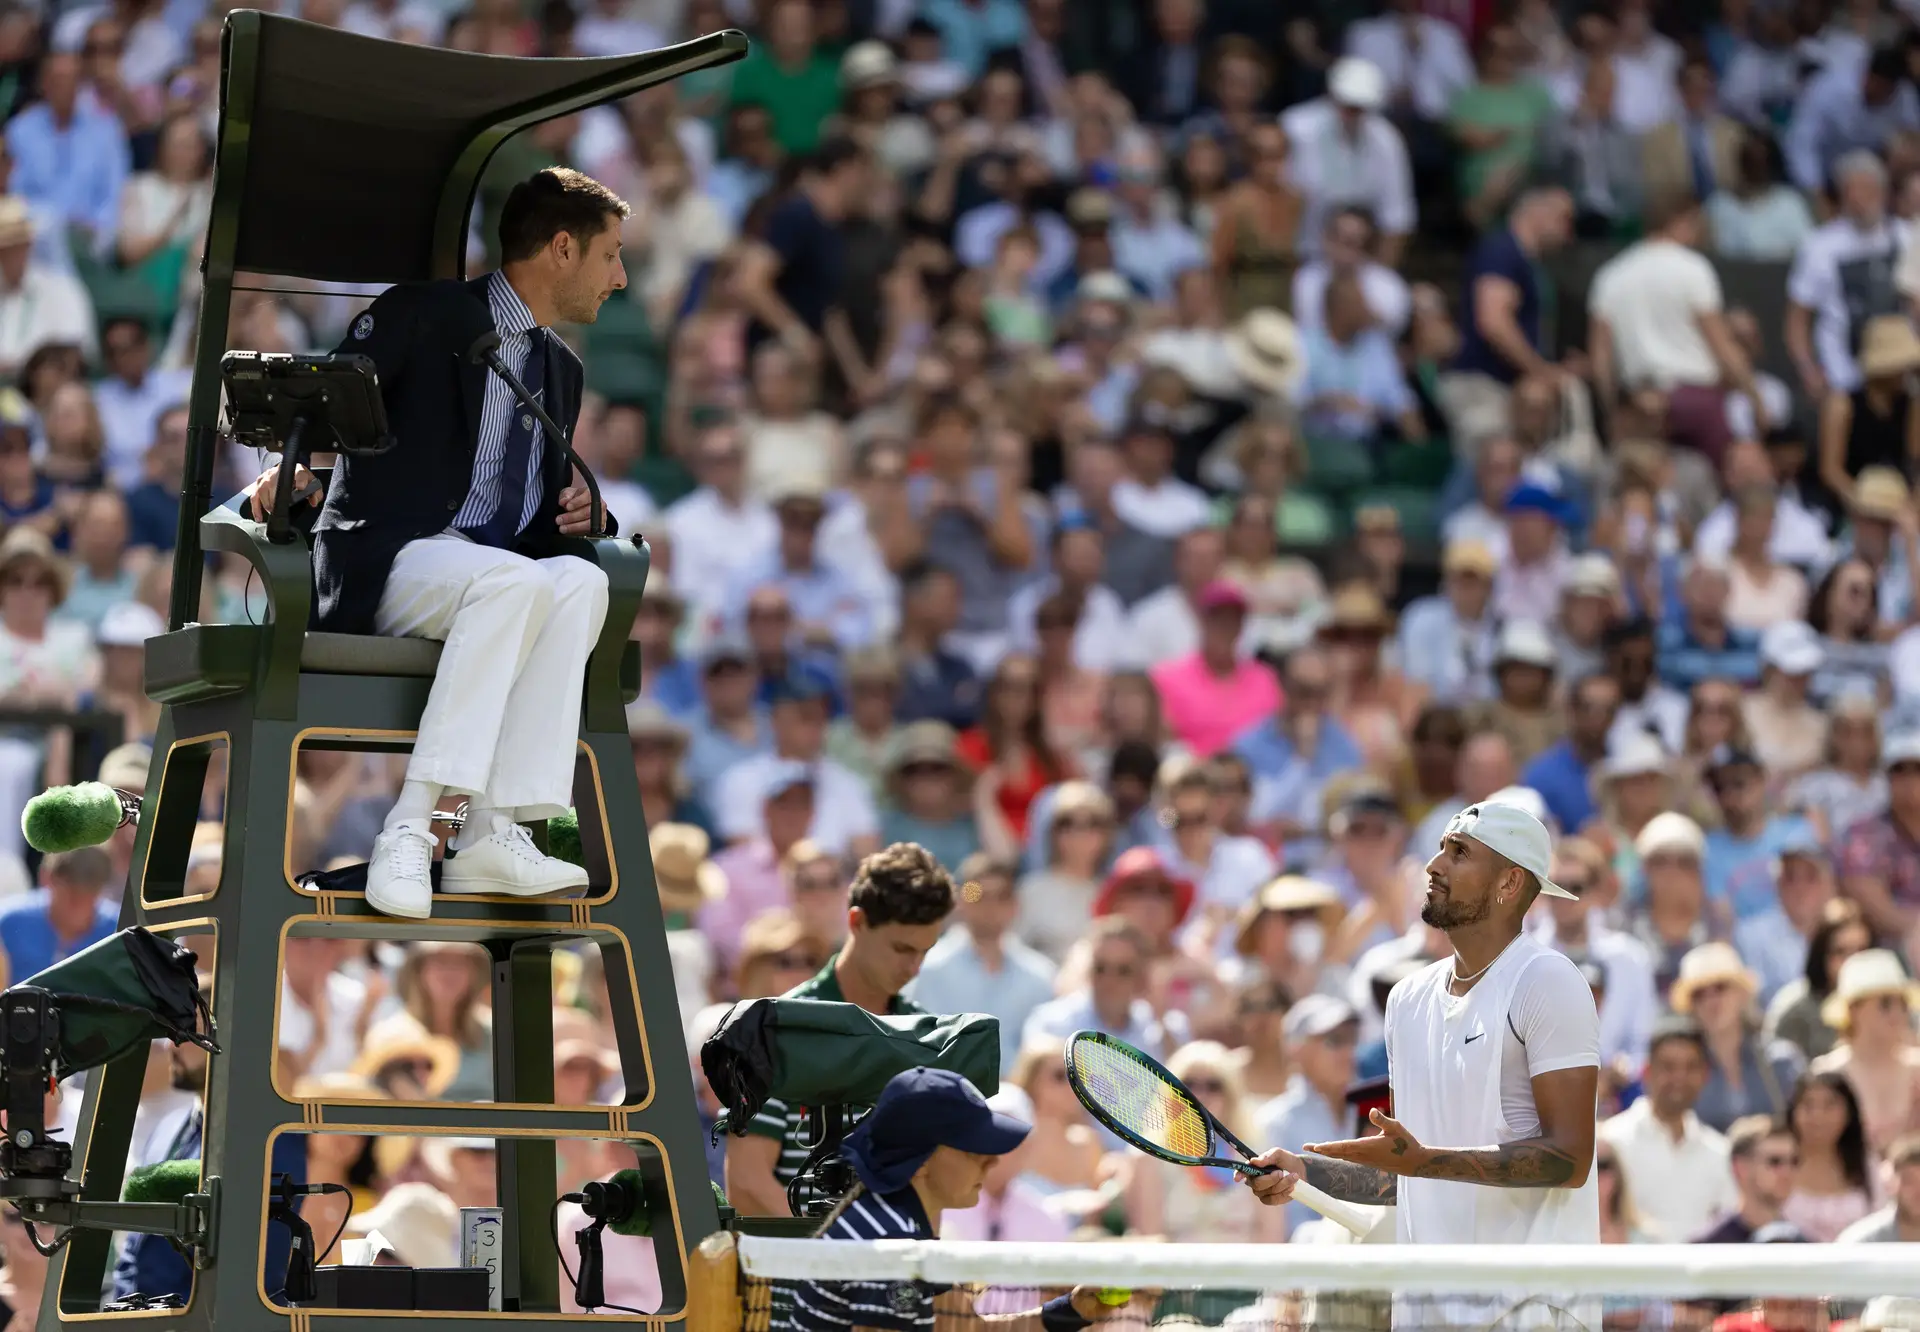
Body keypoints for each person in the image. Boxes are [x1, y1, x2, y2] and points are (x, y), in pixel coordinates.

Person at [247, 167, 628, 920]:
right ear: (561, 249)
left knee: (585, 583)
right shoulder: (421, 313)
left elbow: (535, 519)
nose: (620, 276)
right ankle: (413, 828)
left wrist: (591, 516)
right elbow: (318, 406)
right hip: (385, 563)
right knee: (514, 585)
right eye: (611, 254)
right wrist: (284, 482)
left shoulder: (563, 368)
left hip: (485, 586)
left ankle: (493, 829)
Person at [1244, 800, 1601, 1328]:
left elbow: (1570, 1160)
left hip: (1530, 1310)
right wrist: (1307, 1173)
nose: (1433, 866)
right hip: (1424, 1312)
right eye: (1439, 849)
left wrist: (1426, 1162)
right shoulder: (1405, 1000)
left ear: (1508, 883)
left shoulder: (1548, 979)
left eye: (1459, 854)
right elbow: (1413, 1174)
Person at [770, 1066, 1138, 1331]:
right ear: (921, 1164)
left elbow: (968, 1330)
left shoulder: (903, 1226)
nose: (991, 1162)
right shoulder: (892, 1245)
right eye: (972, 1150)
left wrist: (1073, 1310)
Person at [727, 842, 954, 1217]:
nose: (914, 967)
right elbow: (747, 1184)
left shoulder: (923, 1037)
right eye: (901, 948)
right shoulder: (773, 1031)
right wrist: (839, 1253)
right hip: (793, 1270)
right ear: (857, 922)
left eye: (924, 951)